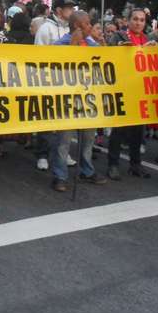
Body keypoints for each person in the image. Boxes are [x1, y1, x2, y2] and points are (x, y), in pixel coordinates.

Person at [52, 11, 108, 191]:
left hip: (88, 99)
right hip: (67, 100)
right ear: (77, 26)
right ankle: (60, 176)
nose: (91, 27)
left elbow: (107, 61)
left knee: (88, 140)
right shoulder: (59, 44)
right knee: (64, 141)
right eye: (88, 24)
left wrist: (104, 46)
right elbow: (56, 65)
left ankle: (87, 170)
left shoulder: (91, 43)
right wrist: (73, 44)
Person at [106, 8, 158, 180]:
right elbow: (112, 57)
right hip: (123, 88)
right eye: (135, 19)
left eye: (142, 20)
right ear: (128, 21)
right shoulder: (119, 37)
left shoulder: (149, 38)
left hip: (141, 90)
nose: (138, 22)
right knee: (119, 130)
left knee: (138, 131)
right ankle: (113, 164)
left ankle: (135, 165)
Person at [33, 0, 76, 173]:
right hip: (49, 80)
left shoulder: (73, 29)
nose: (72, 11)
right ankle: (42, 155)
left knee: (65, 119)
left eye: (73, 8)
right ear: (59, 10)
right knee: (47, 120)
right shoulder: (46, 28)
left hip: (68, 81)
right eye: (68, 8)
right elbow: (38, 54)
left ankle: (63, 153)